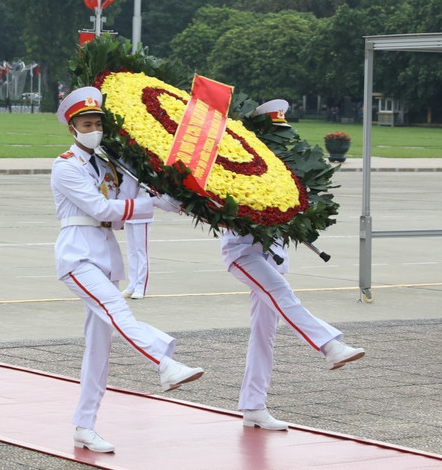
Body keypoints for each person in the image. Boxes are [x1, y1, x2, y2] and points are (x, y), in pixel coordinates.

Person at [50, 87, 204, 454]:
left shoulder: (106, 165)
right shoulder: (65, 165)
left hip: (105, 257)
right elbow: (102, 209)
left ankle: (84, 426)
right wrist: (151, 204)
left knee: (98, 349)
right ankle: (163, 362)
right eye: (86, 124)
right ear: (72, 129)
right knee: (117, 310)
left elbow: (120, 210)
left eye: (98, 123)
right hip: (78, 256)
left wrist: (166, 196)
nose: (94, 129)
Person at [222, 99, 365, 432]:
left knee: (264, 335)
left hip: (274, 254)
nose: (281, 141)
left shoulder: (284, 167)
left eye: (282, 134)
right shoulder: (238, 164)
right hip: (244, 253)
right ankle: (329, 345)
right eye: (274, 135)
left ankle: (254, 406)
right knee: (282, 293)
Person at [122, 213, 152, 300]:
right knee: (132, 251)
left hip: (142, 215)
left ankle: (141, 286)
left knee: (141, 251)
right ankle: (132, 284)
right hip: (129, 214)